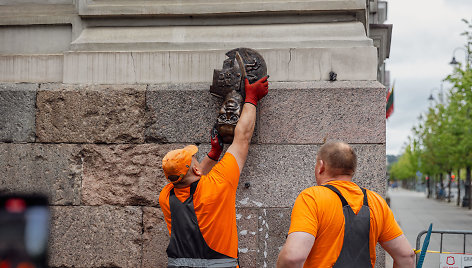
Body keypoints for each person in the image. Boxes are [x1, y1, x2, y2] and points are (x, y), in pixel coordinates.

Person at [159, 76, 269, 268]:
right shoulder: (218, 184)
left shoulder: (166, 196)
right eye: (195, 157)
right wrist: (251, 99)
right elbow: (242, 139)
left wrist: (213, 154)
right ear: (195, 168)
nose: (197, 160)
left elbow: (192, 177)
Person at [276, 142, 415, 268]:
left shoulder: (312, 198)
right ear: (352, 170)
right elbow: (406, 256)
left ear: (321, 166)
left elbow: (293, 258)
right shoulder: (376, 201)